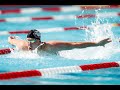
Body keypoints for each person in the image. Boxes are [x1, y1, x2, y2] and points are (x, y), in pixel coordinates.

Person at [8, 29, 112, 54]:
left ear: (39, 41)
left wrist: (97, 43)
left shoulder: (51, 46)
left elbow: (75, 45)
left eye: (32, 41)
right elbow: (11, 40)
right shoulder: (23, 45)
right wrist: (10, 38)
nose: (29, 44)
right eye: (28, 41)